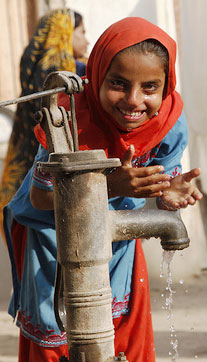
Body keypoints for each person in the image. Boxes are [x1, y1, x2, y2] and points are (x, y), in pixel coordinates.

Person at [4, 17, 203, 362]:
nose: (133, 100)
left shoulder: (168, 122)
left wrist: (168, 193)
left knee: (124, 339)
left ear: (166, 86)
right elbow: (39, 198)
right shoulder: (68, 118)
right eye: (118, 83)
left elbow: (161, 189)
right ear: (96, 75)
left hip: (117, 238)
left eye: (150, 87)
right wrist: (109, 186)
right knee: (56, 340)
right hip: (53, 238)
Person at [0, 8, 88, 239]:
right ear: (66, 34)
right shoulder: (71, 75)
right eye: (82, 32)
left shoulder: (33, 69)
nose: (87, 40)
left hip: (27, 178)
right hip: (62, 180)